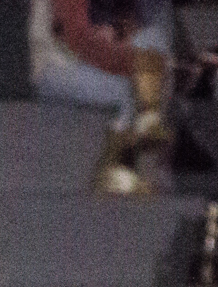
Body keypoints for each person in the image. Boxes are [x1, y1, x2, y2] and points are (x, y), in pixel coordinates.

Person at [29, 0, 172, 195]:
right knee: (124, 89)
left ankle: (146, 131)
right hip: (55, 67)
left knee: (153, 40)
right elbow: (77, 40)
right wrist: (134, 63)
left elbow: (130, 30)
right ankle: (115, 172)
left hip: (93, 60)